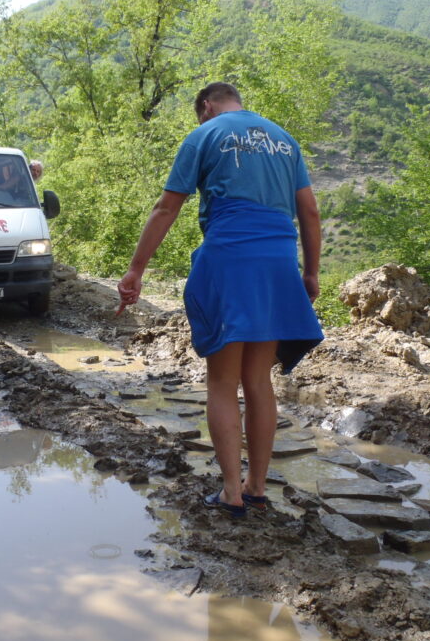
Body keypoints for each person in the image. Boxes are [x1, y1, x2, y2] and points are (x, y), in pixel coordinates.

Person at [117, 82, 323, 518]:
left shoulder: (204, 134)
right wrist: (310, 273)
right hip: (277, 264)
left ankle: (231, 491)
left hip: (229, 258)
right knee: (259, 381)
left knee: (222, 381)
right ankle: (258, 486)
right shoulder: (284, 140)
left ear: (206, 107)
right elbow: (310, 212)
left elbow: (166, 208)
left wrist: (136, 269)